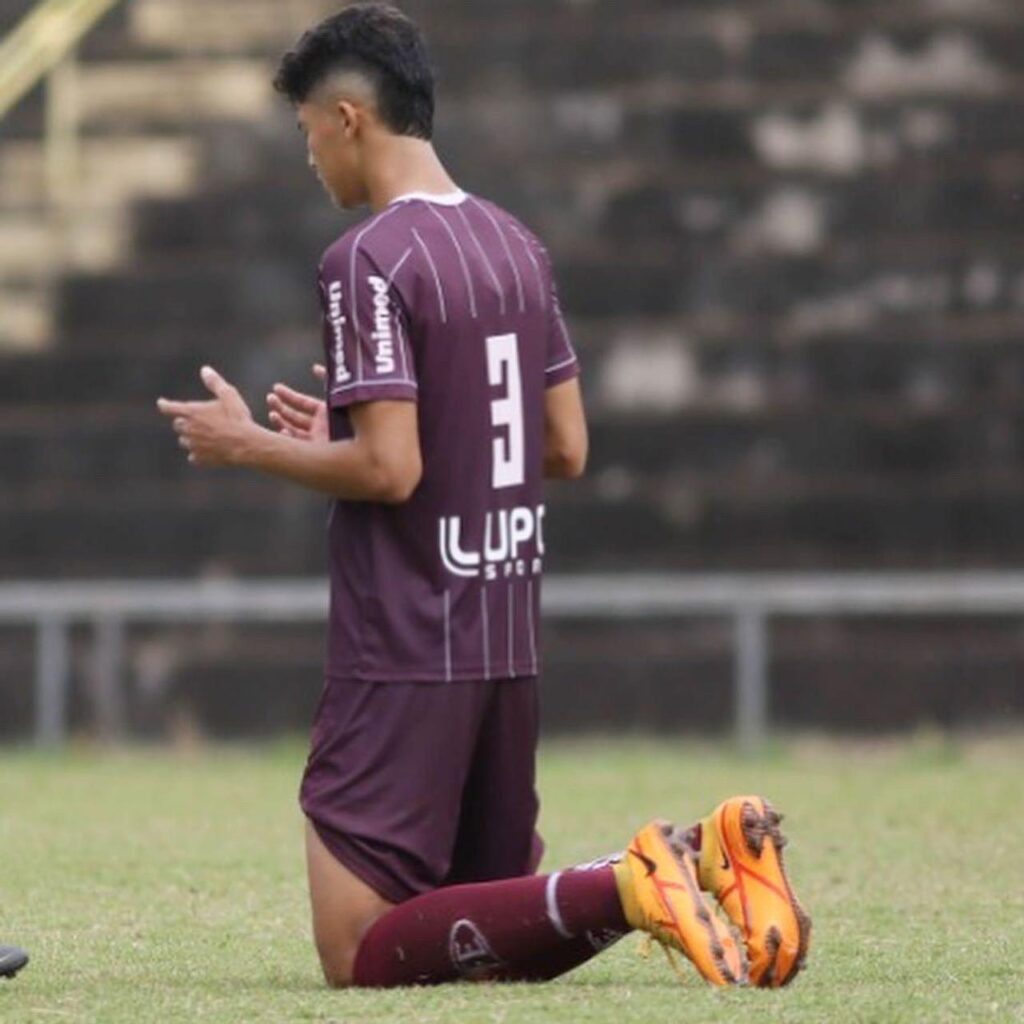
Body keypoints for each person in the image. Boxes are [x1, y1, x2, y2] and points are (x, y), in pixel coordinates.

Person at [157, 3, 809, 989]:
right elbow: (565, 445)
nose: (312, 164)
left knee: (358, 950)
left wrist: (250, 446)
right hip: (503, 636)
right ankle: (706, 853)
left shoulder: (366, 259)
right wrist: (349, 436)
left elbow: (392, 471)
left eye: (305, 138)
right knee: (480, 934)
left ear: (345, 119)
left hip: (407, 643)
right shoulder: (516, 245)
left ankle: (628, 881)